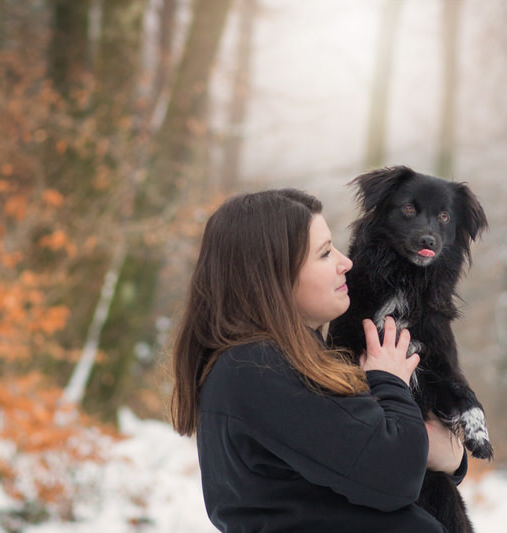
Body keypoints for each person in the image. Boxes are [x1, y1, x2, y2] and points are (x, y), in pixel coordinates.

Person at [170, 189, 467, 533]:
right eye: (325, 253)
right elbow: (394, 476)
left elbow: (357, 456)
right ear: (273, 275)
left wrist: (452, 457)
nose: (346, 262)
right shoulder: (256, 368)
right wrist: (390, 382)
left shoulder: (287, 360)